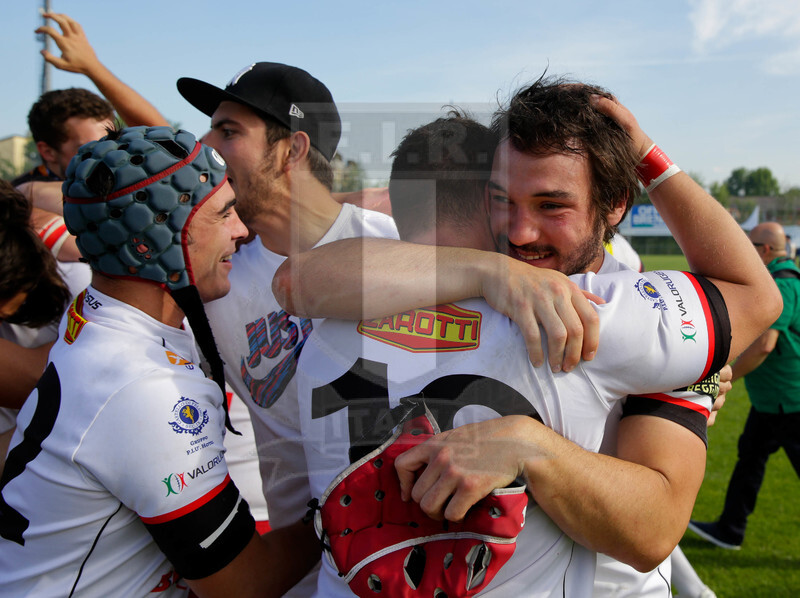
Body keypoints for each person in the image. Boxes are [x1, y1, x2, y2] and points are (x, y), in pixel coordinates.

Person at [275, 77, 780, 596]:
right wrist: (490, 272)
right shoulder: (407, 277)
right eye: (503, 200)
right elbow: (753, 295)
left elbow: (653, 527)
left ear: (614, 204)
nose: (519, 232)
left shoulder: (614, 308)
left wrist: (532, 445)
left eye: (551, 205)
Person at [0, 127, 318, 597]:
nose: (241, 230)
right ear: (149, 246)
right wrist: (333, 513)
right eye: (223, 214)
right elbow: (243, 585)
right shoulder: (145, 389)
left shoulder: (97, 312)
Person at [175, 61, 401, 595]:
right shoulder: (212, 279)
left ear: (293, 150)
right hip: (300, 573)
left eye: (228, 132)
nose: (205, 147)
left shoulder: (395, 248)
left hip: (413, 566)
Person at [688, 221, 800, 551]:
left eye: (750, 245)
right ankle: (730, 529)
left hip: (789, 401)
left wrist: (727, 376)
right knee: (749, 459)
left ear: (764, 250)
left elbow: (765, 344)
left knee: (750, 460)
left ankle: (730, 528)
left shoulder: (782, 284)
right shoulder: (784, 278)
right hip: (772, 400)